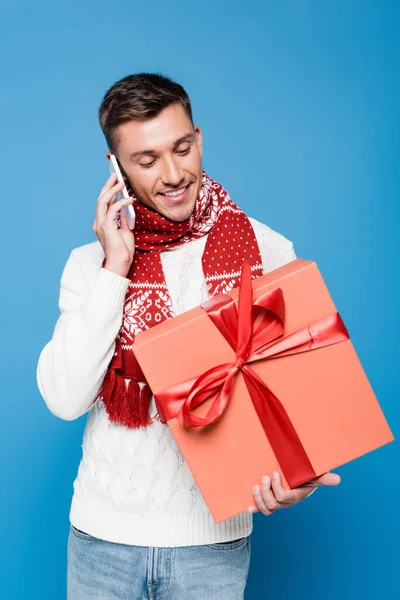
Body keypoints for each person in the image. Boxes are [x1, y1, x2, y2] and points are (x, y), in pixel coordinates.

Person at [37, 72, 341, 600]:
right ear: (116, 169)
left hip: (213, 547)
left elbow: (301, 399)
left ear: (199, 140)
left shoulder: (265, 251)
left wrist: (299, 478)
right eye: (147, 160)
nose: (174, 174)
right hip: (102, 541)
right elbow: (65, 400)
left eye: (182, 149)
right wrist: (117, 266)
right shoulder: (90, 267)